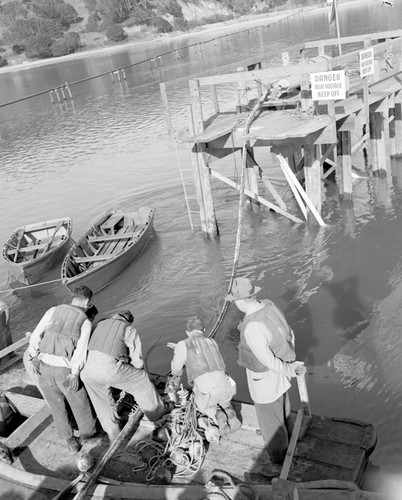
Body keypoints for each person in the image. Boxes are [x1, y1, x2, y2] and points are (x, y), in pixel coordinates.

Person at [225, 277, 306, 471]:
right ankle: (289, 438)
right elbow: (289, 333)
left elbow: (268, 361)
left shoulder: (252, 327)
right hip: (281, 376)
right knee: (283, 410)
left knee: (270, 423)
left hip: (266, 382)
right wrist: (289, 365)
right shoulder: (269, 305)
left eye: (234, 301)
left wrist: (290, 369)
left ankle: (278, 462)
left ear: (241, 301)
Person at [27, 286, 97, 453]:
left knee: (56, 404)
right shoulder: (85, 321)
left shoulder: (53, 310)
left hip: (43, 366)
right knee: (79, 402)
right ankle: (88, 436)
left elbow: (36, 334)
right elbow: (80, 352)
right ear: (87, 302)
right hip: (63, 370)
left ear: (72, 297)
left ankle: (70, 441)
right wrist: (74, 374)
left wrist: (34, 355)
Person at [80, 310, 166, 442]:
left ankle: (113, 434)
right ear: (128, 321)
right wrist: (134, 370)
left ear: (115, 316)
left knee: (102, 403)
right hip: (108, 369)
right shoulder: (128, 329)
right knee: (141, 379)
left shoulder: (98, 324)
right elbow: (137, 362)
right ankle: (157, 414)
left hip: (86, 370)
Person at [168, 316, 241, 435]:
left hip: (207, 392)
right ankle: (229, 409)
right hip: (226, 386)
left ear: (187, 332)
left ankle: (217, 414)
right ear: (204, 330)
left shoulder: (183, 344)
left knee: (203, 406)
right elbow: (201, 352)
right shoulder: (211, 341)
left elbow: (176, 369)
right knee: (224, 399)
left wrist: (179, 350)